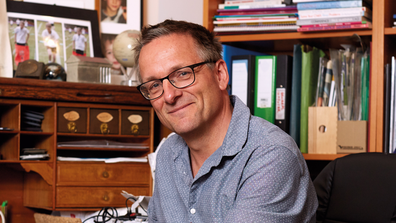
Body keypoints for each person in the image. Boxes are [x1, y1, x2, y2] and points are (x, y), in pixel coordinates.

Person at [134, 19, 318, 222]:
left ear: (220, 74)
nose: (169, 96)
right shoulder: (168, 153)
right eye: (154, 85)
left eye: (183, 74)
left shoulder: (271, 155)